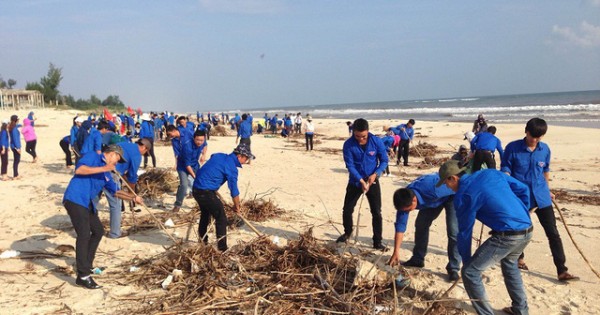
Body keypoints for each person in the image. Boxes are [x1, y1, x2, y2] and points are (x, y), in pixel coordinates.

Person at [437, 160, 533, 315]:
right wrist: (522, 212)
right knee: (510, 265)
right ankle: (521, 310)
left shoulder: (463, 195)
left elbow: (464, 233)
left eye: (446, 183)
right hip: (527, 229)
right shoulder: (490, 173)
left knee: (470, 273)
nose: (447, 187)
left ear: (453, 178)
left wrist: (467, 263)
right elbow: (523, 189)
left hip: (508, 236)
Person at [501, 118, 579, 282]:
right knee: (520, 231)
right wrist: (506, 185)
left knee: (553, 233)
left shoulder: (545, 149)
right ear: (526, 131)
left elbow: (545, 171)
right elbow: (506, 168)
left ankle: (562, 270)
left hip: (542, 196)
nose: (535, 140)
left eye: (539, 137)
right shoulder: (512, 148)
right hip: (520, 196)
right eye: (532, 137)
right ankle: (519, 258)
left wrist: (548, 190)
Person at [62, 144, 142, 289]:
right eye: (117, 159)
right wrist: (105, 168)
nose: (117, 163)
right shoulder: (94, 156)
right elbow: (79, 169)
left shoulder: (107, 174)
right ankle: (83, 275)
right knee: (84, 234)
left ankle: (88, 264)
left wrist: (133, 197)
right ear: (111, 154)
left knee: (98, 231)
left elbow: (115, 192)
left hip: (87, 203)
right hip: (75, 199)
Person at [388, 173, 460, 281]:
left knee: (453, 230)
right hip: (431, 202)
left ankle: (454, 268)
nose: (406, 212)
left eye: (408, 210)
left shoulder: (434, 189)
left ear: (414, 200)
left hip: (452, 196)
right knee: (421, 225)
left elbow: (458, 186)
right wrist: (396, 252)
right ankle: (418, 259)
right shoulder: (404, 200)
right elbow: (400, 227)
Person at [336, 118, 388, 251]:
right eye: (357, 136)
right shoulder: (348, 145)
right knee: (347, 209)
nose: (360, 139)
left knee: (376, 211)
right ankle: (347, 233)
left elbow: (384, 160)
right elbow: (350, 165)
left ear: (368, 132)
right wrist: (360, 181)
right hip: (355, 181)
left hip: (372, 180)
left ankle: (377, 241)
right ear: (353, 132)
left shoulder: (376, 141)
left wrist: (375, 174)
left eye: (363, 136)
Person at [192, 143, 254, 251]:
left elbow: (213, 156)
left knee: (205, 215)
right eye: (246, 158)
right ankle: (222, 248)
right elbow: (234, 190)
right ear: (239, 156)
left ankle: (203, 242)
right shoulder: (231, 168)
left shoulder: (219, 155)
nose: (247, 161)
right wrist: (237, 206)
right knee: (221, 218)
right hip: (205, 192)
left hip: (196, 188)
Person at [103, 139, 151, 238]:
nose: (143, 154)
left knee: (93, 199)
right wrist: (131, 194)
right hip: (111, 173)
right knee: (116, 204)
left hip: (101, 168)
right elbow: (132, 176)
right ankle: (115, 233)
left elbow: (125, 173)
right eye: (145, 152)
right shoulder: (137, 155)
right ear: (143, 147)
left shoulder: (124, 144)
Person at [166, 124, 193, 212]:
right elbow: (176, 154)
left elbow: (199, 143)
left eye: (170, 134)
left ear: (174, 130)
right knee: (184, 185)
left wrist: (203, 154)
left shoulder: (188, 133)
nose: (170, 136)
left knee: (199, 182)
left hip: (193, 163)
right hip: (182, 165)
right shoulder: (174, 141)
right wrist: (176, 164)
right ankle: (178, 204)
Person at [8, 115, 21, 179]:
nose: (18, 120)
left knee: (16, 160)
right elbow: (15, 139)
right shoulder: (14, 129)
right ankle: (15, 175)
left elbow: (17, 125)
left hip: (13, 146)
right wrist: (18, 148)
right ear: (16, 120)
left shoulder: (12, 126)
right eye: (18, 119)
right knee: (17, 161)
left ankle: (16, 174)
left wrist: (20, 125)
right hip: (15, 147)